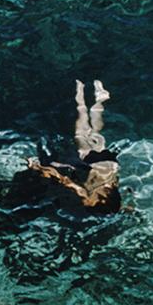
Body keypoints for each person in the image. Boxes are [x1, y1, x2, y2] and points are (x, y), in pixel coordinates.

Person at [26, 80, 122, 212]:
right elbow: (64, 179)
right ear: (99, 199)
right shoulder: (87, 196)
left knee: (95, 133)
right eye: (90, 202)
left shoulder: (113, 194)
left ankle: (100, 100)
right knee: (80, 132)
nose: (87, 202)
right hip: (92, 164)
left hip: (110, 165)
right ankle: (80, 94)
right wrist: (37, 167)